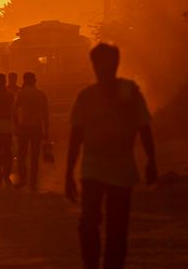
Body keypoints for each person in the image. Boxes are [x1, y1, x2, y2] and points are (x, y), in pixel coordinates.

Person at [66, 43, 157, 269]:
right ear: (94, 66)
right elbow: (76, 135)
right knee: (89, 223)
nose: (104, 70)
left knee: (116, 226)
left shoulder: (129, 91)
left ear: (116, 65)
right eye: (100, 65)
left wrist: (152, 161)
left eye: (108, 64)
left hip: (122, 169)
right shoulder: (86, 97)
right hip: (93, 168)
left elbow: (144, 127)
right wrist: (68, 172)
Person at [13, 71, 49, 191]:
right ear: (34, 81)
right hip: (36, 128)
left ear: (24, 80)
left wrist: (17, 126)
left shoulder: (21, 93)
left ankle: (23, 178)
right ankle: (33, 182)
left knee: (22, 155)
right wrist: (46, 131)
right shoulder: (41, 94)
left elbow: (14, 111)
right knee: (35, 156)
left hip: (24, 127)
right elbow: (46, 115)